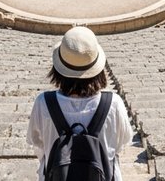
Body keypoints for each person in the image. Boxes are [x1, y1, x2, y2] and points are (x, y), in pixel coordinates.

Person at [27, 26, 134, 180]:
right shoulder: (113, 103)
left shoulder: (43, 102)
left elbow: (37, 144)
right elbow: (121, 144)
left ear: (58, 69)